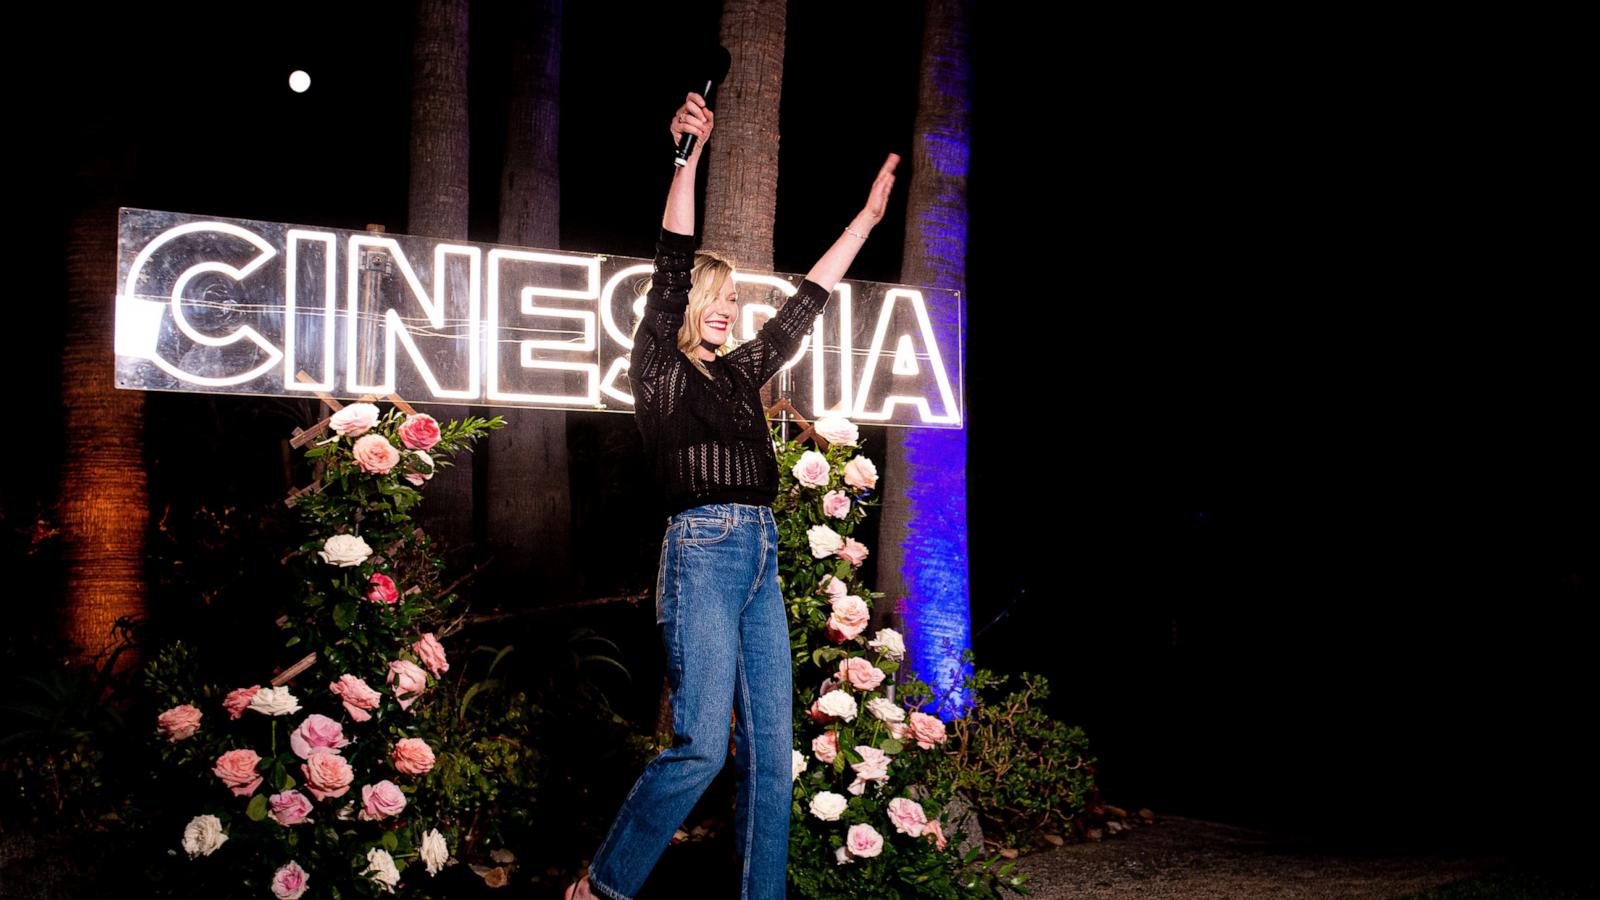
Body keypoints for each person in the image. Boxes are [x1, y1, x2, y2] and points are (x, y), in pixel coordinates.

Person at [567, 91, 898, 900]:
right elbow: (672, 255)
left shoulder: (744, 372)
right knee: (702, 747)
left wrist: (866, 218)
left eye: (734, 300)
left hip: (758, 558)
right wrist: (689, 157)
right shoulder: (661, 369)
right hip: (704, 551)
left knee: (773, 750)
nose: (728, 308)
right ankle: (600, 888)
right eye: (716, 297)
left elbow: (806, 304)